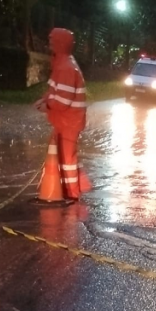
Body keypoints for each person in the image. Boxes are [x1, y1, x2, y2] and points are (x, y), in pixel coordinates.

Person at [32, 28, 91, 200]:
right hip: (66, 122)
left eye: (52, 41)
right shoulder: (62, 63)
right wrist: (44, 100)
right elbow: (53, 90)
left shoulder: (65, 67)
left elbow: (63, 101)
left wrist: (47, 106)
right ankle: (70, 187)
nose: (49, 44)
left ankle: (71, 192)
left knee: (66, 159)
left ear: (60, 43)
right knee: (64, 156)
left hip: (69, 122)